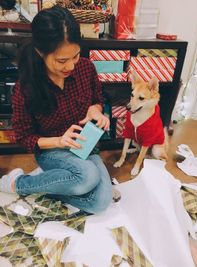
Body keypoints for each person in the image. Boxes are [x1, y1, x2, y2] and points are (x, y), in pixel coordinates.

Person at [0, 5, 113, 214]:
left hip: (85, 146)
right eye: (62, 60)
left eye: (76, 56)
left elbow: (98, 99)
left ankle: (46, 183)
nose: (71, 65)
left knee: (101, 202)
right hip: (52, 150)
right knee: (88, 176)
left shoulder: (86, 68)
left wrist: (96, 111)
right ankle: (20, 183)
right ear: (40, 51)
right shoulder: (26, 87)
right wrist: (59, 141)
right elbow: (25, 136)